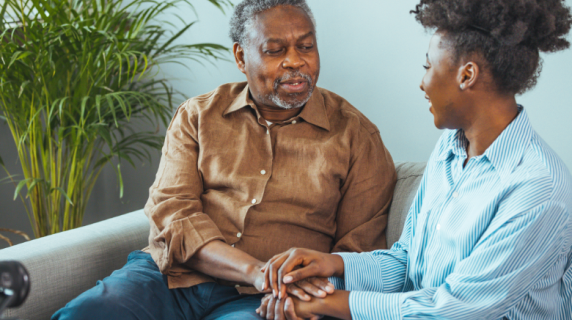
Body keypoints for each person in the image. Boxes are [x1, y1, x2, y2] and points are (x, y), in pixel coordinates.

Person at [51, 0, 396, 319]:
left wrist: (309, 295)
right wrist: (254, 270)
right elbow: (174, 214)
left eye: (306, 47)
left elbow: (359, 255)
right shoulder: (198, 116)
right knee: (86, 313)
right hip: (171, 279)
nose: (295, 61)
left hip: (269, 299)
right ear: (241, 58)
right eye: (275, 50)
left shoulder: (357, 137)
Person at [256, 0, 572, 319]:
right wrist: (330, 267)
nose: (422, 82)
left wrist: (323, 303)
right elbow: (406, 264)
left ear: (467, 75)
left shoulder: (539, 190)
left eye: (428, 66)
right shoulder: (449, 149)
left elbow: (452, 311)